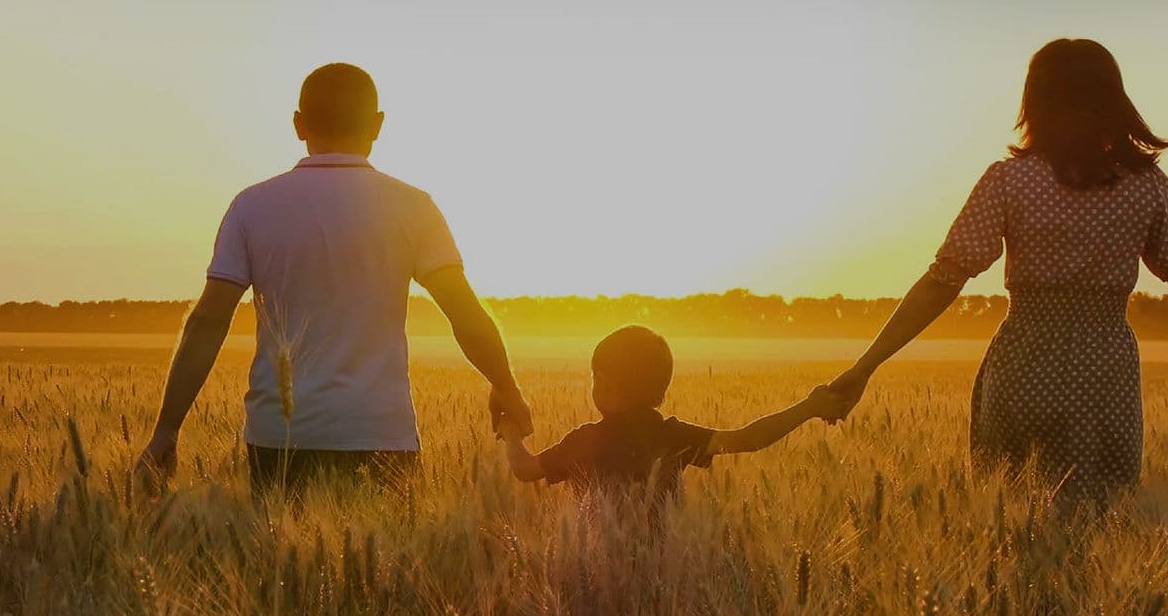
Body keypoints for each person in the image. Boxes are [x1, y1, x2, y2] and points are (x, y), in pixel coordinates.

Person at [821, 39, 1168, 502]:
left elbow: (941, 282)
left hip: (1022, 367)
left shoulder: (1008, 181)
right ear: (1114, 101)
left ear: (1034, 102)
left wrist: (865, 367)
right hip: (1104, 372)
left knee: (1011, 520)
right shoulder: (1148, 186)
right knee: (1100, 519)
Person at [135, 63, 531, 496]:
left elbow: (209, 320)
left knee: (279, 562)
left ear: (298, 124)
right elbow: (464, 313)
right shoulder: (415, 207)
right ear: (377, 126)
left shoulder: (251, 206)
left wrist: (167, 429)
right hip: (383, 433)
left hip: (279, 436)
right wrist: (505, 386)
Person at [495, 325, 842, 498]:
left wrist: (510, 430)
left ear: (605, 383)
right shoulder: (673, 437)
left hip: (597, 573)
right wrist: (808, 407)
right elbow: (750, 439)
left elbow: (524, 469)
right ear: (660, 390)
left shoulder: (584, 441)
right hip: (664, 570)